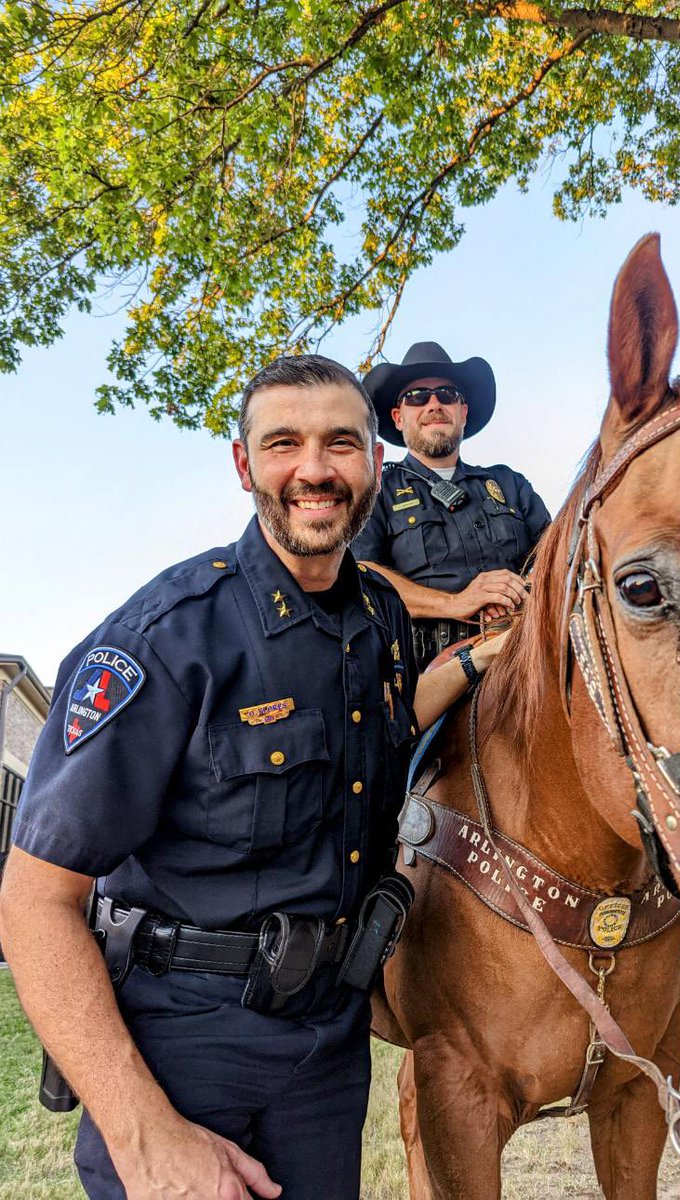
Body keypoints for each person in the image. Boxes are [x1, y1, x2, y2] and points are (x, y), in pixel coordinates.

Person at [0, 355, 504, 1200]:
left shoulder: (376, 618)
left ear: (374, 463)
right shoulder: (167, 638)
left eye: (341, 443)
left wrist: (478, 657)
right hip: (182, 1046)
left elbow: (382, 732)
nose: (314, 469)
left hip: (326, 1049)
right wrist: (146, 1135)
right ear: (245, 466)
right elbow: (33, 899)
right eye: (284, 444)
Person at [352, 342, 550, 669]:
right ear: (399, 418)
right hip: (433, 672)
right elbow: (362, 576)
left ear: (463, 411)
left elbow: (555, 553)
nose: (434, 404)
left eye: (447, 394)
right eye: (417, 397)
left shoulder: (509, 484)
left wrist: (517, 592)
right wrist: (457, 603)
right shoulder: (376, 493)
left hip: (527, 650)